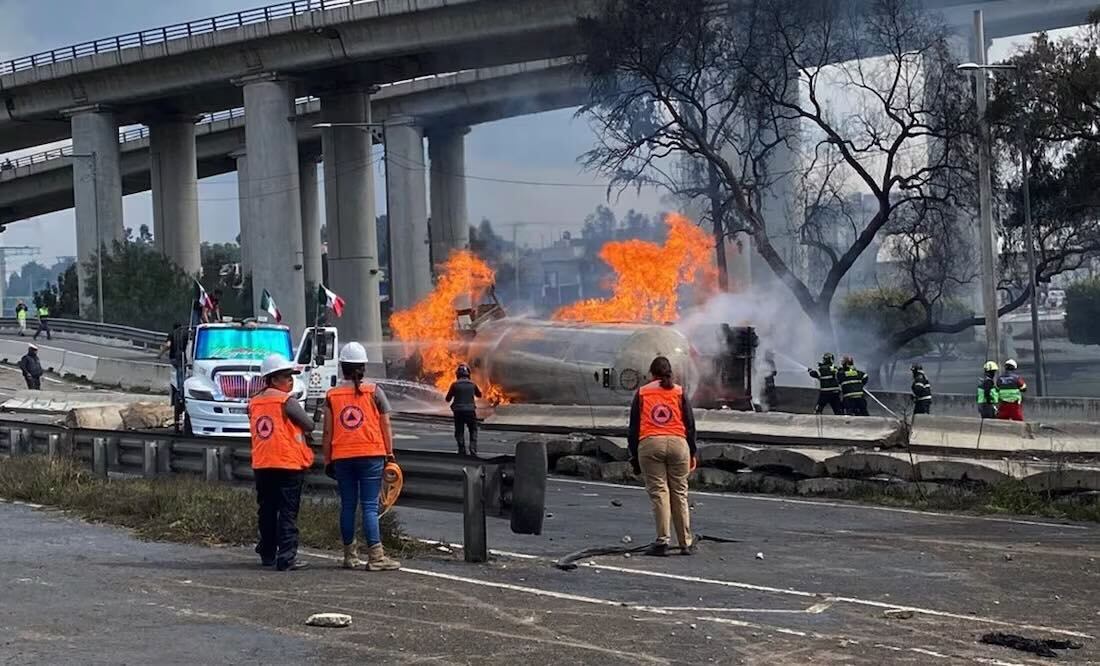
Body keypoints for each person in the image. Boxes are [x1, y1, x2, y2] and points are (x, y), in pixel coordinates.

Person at [321, 342, 401, 572]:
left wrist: (327, 459)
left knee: (347, 505)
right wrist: (389, 453)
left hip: (342, 457)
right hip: (371, 454)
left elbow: (327, 431)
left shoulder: (332, 396)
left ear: (342, 367)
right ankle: (376, 556)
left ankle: (350, 555)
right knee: (369, 506)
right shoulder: (374, 391)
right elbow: (385, 423)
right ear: (363, 367)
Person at [248, 354, 315, 572]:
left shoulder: (254, 402)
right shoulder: (286, 401)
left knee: (266, 510)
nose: (290, 381)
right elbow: (309, 424)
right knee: (287, 512)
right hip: (287, 464)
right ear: (274, 378)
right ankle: (286, 557)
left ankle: (267, 553)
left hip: (263, 464)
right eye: (287, 377)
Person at [627, 356, 697, 557]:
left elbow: (633, 429)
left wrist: (634, 456)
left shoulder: (642, 392)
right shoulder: (679, 391)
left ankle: (662, 541)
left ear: (651, 374)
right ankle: (685, 543)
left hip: (650, 444)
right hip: (678, 444)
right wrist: (692, 452)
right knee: (680, 492)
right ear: (670, 373)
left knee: (660, 492)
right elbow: (690, 426)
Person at [445, 363, 482, 455]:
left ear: (457, 374)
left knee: (459, 431)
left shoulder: (454, 385)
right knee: (473, 429)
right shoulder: (473, 384)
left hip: (458, 412)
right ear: (468, 374)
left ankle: (462, 450)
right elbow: (479, 395)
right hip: (470, 411)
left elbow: (447, 399)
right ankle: (473, 449)